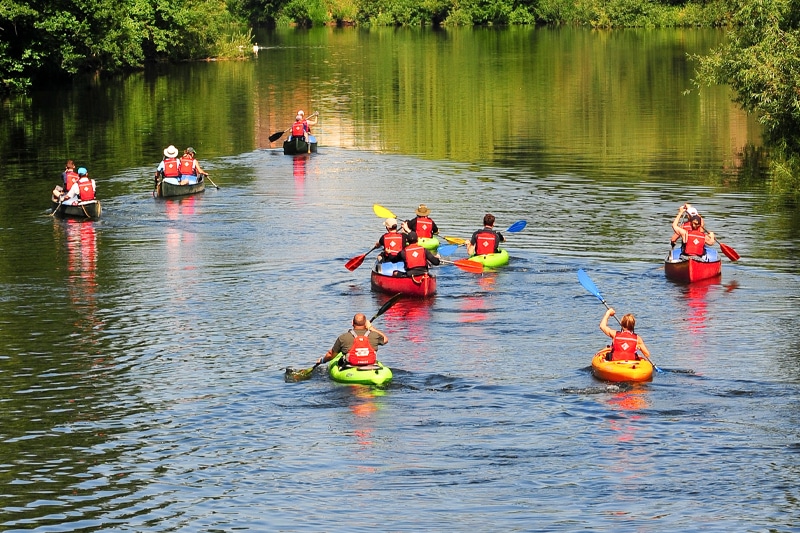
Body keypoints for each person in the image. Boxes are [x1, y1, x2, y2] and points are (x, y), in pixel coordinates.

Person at [316, 312, 389, 369]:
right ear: (365, 323)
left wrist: (322, 360)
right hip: (370, 365)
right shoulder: (374, 335)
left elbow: (331, 354)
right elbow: (385, 339)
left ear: (352, 323)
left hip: (351, 366)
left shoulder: (343, 337)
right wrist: (371, 327)